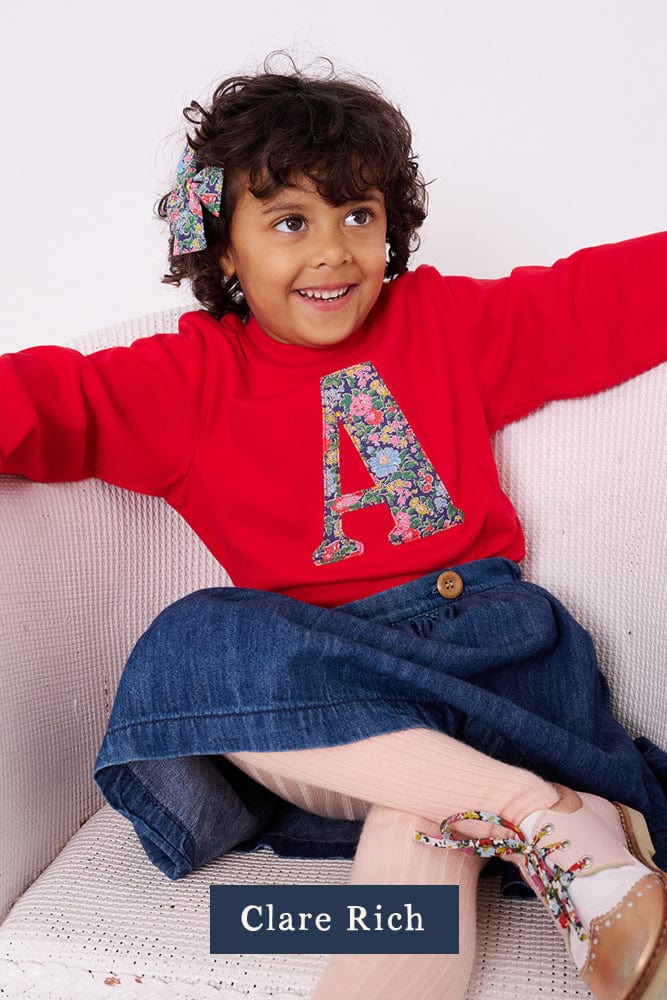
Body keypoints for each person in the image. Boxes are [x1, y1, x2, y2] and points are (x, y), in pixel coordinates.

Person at [1, 58, 666, 1000]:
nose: (333, 251)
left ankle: (552, 826)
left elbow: (607, 297)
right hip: (336, 712)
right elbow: (38, 402)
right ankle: (559, 828)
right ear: (222, 251)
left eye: (358, 215)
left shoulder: (444, 324)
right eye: (288, 223)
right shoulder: (188, 381)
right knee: (199, 639)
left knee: (421, 819)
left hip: (493, 666)